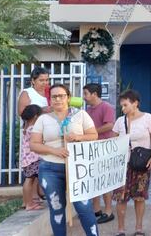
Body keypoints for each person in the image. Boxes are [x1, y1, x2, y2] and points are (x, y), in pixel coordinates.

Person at [29, 84, 98, 236]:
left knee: (84, 207)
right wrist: (54, 151)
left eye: (61, 95)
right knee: (56, 208)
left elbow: (94, 135)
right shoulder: (43, 119)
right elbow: (33, 144)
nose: (58, 99)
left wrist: (79, 137)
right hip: (50, 168)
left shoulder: (80, 115)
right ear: (50, 99)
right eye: (54, 96)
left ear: (68, 97)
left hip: (77, 167)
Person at [111, 89, 151, 236]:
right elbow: (112, 142)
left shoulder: (147, 118)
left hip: (141, 163)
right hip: (122, 165)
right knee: (121, 198)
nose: (123, 108)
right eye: (122, 106)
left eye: (125, 105)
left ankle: (138, 228)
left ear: (135, 103)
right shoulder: (120, 121)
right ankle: (121, 229)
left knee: (139, 197)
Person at [84, 83, 117, 224]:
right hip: (91, 147)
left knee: (104, 181)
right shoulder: (87, 109)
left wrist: (92, 132)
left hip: (103, 147)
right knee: (93, 179)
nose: (84, 97)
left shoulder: (106, 107)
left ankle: (108, 211)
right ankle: (96, 210)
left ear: (94, 94)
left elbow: (110, 124)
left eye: (86, 93)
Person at [20, 104, 44, 211]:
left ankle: (26, 202)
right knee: (29, 180)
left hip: (27, 158)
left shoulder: (26, 126)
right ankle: (29, 204)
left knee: (29, 179)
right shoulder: (33, 129)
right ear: (35, 116)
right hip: (32, 158)